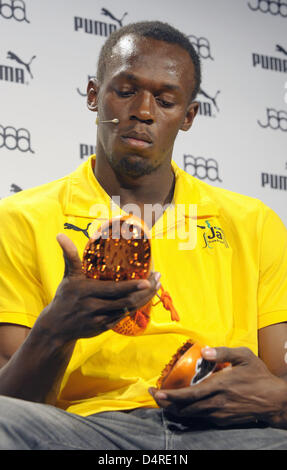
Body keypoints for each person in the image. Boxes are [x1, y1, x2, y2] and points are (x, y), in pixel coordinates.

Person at [0, 20, 287, 451]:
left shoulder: (252, 221)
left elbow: (278, 377)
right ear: (94, 95)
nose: (144, 111)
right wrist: (56, 328)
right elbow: (13, 399)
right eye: (127, 90)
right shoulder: (20, 217)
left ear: (188, 116)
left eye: (167, 100)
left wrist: (275, 396)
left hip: (224, 432)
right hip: (87, 430)